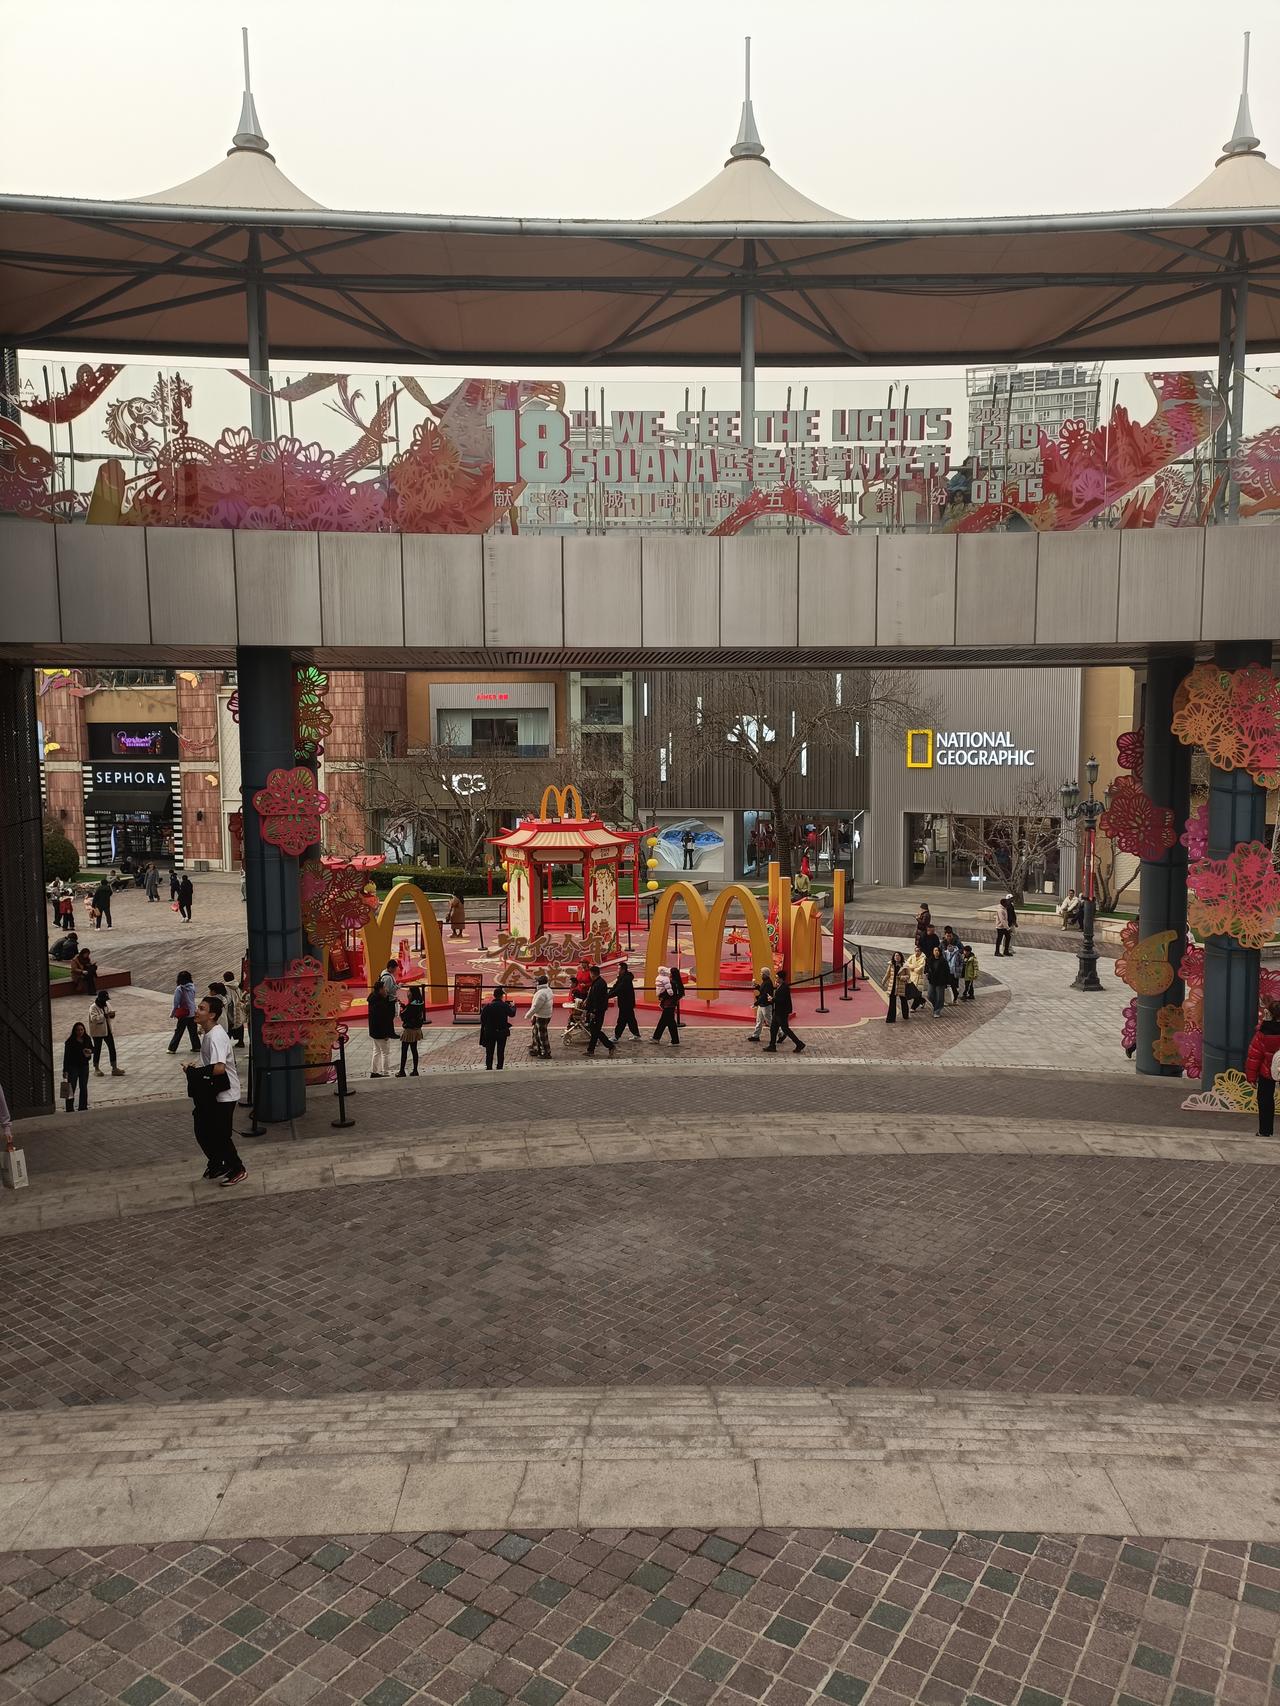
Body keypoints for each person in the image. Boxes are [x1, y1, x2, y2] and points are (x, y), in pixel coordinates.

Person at [183, 993, 246, 1186]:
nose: (197, 1011)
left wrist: (193, 1072)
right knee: (203, 1128)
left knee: (220, 1135)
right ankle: (218, 1163)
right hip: (215, 1093)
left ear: (212, 1015)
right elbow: (211, 1063)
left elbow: (219, 1068)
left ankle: (237, 1169)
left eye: (201, 1008)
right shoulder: (209, 1034)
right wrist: (196, 1067)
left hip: (225, 1094)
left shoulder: (216, 1036)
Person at [1246, 1000, 1280, 1138]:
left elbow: (1254, 1056)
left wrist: (1251, 1077)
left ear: (1269, 1014)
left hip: (1267, 1071)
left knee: (1265, 1099)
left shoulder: (1262, 1032)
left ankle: (1265, 1130)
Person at [764, 971, 805, 1053]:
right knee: (773, 1028)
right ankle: (772, 1045)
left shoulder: (784, 988)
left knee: (785, 1029)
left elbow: (781, 1000)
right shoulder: (780, 986)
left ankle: (799, 1044)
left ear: (781, 978)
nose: (776, 979)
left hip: (782, 1012)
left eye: (777, 977)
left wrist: (772, 999)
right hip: (778, 1011)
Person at [87, 991, 124, 1077]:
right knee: (97, 1049)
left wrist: (112, 1015)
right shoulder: (93, 1007)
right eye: (104, 999)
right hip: (97, 1032)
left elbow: (111, 1012)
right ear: (100, 999)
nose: (105, 1001)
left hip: (107, 1030)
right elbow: (94, 1019)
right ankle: (96, 1068)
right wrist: (104, 1015)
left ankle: (114, 1068)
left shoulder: (107, 1004)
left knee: (112, 1048)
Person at [479, 984, 515, 1070]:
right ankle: (499, 1067)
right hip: (502, 1032)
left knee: (489, 1052)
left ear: (494, 995)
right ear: (502, 996)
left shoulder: (487, 1006)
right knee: (500, 1051)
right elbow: (512, 1014)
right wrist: (513, 1006)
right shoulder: (504, 1005)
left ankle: (489, 1067)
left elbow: (482, 1020)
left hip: (490, 1032)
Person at [583, 964, 616, 1056]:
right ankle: (591, 1050)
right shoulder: (597, 982)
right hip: (596, 1010)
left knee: (595, 1030)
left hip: (597, 1011)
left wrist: (593, 1011)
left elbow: (597, 999)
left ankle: (610, 1046)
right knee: (594, 1030)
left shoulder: (599, 984)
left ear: (592, 974)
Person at [367, 980, 397, 1077]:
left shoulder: (373, 999)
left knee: (376, 1051)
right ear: (380, 990)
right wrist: (386, 1033)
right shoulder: (380, 1004)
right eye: (384, 988)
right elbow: (384, 1019)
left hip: (374, 1031)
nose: (386, 989)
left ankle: (374, 1071)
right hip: (381, 1032)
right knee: (385, 1052)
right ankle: (385, 1072)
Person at [62, 1021, 92, 1112]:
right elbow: (66, 1056)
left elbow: (92, 1048)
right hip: (73, 1066)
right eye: (78, 1030)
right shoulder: (70, 1042)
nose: (80, 1032)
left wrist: (89, 1051)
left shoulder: (87, 1038)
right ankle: (69, 1107)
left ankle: (83, 1106)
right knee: (71, 1087)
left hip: (84, 1066)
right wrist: (65, 1070)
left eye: (81, 1030)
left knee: (83, 1086)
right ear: (74, 1031)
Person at [167, 970, 199, 1053]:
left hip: (184, 1013)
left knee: (179, 1031)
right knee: (193, 1031)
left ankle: (172, 1048)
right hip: (192, 1012)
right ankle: (197, 1046)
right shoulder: (192, 987)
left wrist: (172, 1013)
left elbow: (176, 1002)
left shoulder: (179, 989)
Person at [397, 984, 426, 1075]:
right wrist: (404, 1006)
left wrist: (401, 1010)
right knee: (414, 1050)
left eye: (409, 991)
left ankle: (402, 1071)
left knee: (404, 1051)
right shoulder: (420, 1002)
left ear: (412, 993)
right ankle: (415, 1070)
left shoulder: (411, 1005)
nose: (408, 993)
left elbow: (404, 1016)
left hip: (409, 1030)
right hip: (417, 1029)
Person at [651, 966, 680, 1046]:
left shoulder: (672, 983)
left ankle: (673, 1040)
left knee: (667, 1022)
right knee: (666, 1022)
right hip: (671, 1004)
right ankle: (657, 1037)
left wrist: (661, 995)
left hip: (668, 1004)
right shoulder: (677, 983)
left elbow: (668, 993)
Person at [610, 961, 639, 1041]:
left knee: (621, 1020)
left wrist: (608, 996)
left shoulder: (626, 979)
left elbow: (619, 990)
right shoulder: (621, 977)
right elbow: (615, 987)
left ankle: (616, 1036)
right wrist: (608, 994)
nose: (617, 970)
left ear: (623, 970)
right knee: (631, 1019)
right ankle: (636, 1034)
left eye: (618, 968)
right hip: (625, 1002)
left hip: (626, 1003)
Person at [883, 951, 912, 1024]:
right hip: (892, 985)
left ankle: (905, 1015)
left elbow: (908, 976)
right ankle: (891, 1019)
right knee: (892, 1002)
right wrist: (883, 981)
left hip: (901, 986)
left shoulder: (905, 966)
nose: (897, 957)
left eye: (898, 956)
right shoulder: (891, 965)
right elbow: (887, 974)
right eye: (895, 956)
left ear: (901, 957)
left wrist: (902, 977)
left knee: (903, 1001)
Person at [528, 974, 553, 1059]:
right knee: (535, 1032)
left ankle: (546, 1052)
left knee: (542, 1035)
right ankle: (536, 1049)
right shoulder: (547, 990)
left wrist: (528, 1015)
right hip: (543, 1014)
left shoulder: (541, 993)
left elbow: (536, 1006)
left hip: (542, 1015)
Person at [748, 969, 774, 1042]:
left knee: (769, 1021)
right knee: (759, 1020)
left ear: (765, 974)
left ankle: (780, 1034)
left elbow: (764, 995)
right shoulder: (765, 982)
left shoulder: (768, 983)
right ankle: (756, 1036)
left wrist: (756, 1003)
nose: (761, 974)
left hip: (766, 1005)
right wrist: (757, 986)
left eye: (762, 973)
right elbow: (762, 991)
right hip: (762, 1004)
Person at [925, 945, 951, 1015]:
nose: (936, 952)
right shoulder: (930, 960)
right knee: (930, 995)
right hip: (932, 980)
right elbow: (927, 968)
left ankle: (937, 1011)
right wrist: (927, 973)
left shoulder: (943, 961)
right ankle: (936, 1006)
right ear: (933, 952)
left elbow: (947, 971)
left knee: (940, 997)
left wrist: (948, 982)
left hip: (941, 981)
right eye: (935, 950)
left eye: (937, 950)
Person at [221, 972, 245, 1046]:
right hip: (239, 1007)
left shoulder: (226, 987)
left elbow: (227, 999)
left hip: (231, 1008)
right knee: (240, 1024)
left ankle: (227, 1042)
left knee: (229, 1024)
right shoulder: (237, 985)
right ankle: (241, 1041)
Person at [942, 928, 964, 1004]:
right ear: (945, 935)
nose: (948, 937)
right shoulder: (943, 943)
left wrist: (955, 952)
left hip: (954, 969)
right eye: (947, 936)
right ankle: (947, 999)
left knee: (954, 985)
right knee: (945, 985)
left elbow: (962, 951)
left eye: (950, 936)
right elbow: (940, 951)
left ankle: (955, 998)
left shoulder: (957, 942)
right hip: (946, 969)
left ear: (952, 935)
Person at [904, 945, 927, 1010]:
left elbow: (919, 969)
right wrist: (914, 967)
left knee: (917, 993)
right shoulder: (912, 956)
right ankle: (923, 1001)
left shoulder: (923, 958)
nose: (917, 952)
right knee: (913, 992)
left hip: (919, 978)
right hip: (912, 977)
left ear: (921, 952)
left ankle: (913, 1007)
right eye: (916, 951)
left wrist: (912, 968)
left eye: (918, 951)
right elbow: (906, 964)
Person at [669, 963, 686, 1028]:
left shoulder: (672, 983)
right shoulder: (679, 982)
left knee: (667, 1017)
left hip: (671, 1001)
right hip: (675, 1000)